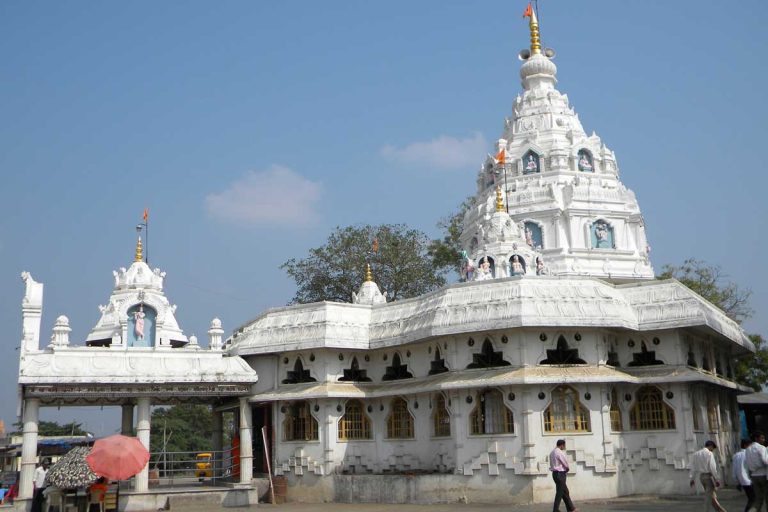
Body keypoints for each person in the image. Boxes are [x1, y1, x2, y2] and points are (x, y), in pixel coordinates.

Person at [689, 440, 727, 512]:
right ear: (710, 446)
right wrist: (717, 479)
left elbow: (693, 467)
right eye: (713, 448)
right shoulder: (709, 454)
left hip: (701, 477)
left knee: (712, 496)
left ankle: (720, 510)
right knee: (708, 497)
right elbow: (712, 467)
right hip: (708, 477)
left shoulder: (696, 454)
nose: (712, 450)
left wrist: (692, 479)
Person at [549, 439, 578, 512]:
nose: (564, 447)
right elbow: (564, 462)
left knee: (565, 492)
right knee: (560, 493)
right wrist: (567, 468)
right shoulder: (559, 452)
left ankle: (571, 508)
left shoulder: (552, 452)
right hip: (560, 474)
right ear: (562, 445)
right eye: (564, 446)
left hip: (555, 474)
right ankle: (555, 510)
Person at [746, 431, 768, 512]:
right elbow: (765, 460)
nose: (763, 440)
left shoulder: (748, 449)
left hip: (754, 476)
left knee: (758, 499)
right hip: (763, 475)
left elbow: (747, 463)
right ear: (756, 438)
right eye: (762, 438)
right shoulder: (761, 448)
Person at [733, 438, 754, 512]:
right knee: (753, 499)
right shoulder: (749, 454)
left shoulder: (736, 455)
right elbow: (751, 468)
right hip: (750, 480)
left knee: (751, 498)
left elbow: (734, 470)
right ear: (746, 445)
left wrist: (737, 482)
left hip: (742, 481)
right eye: (750, 445)